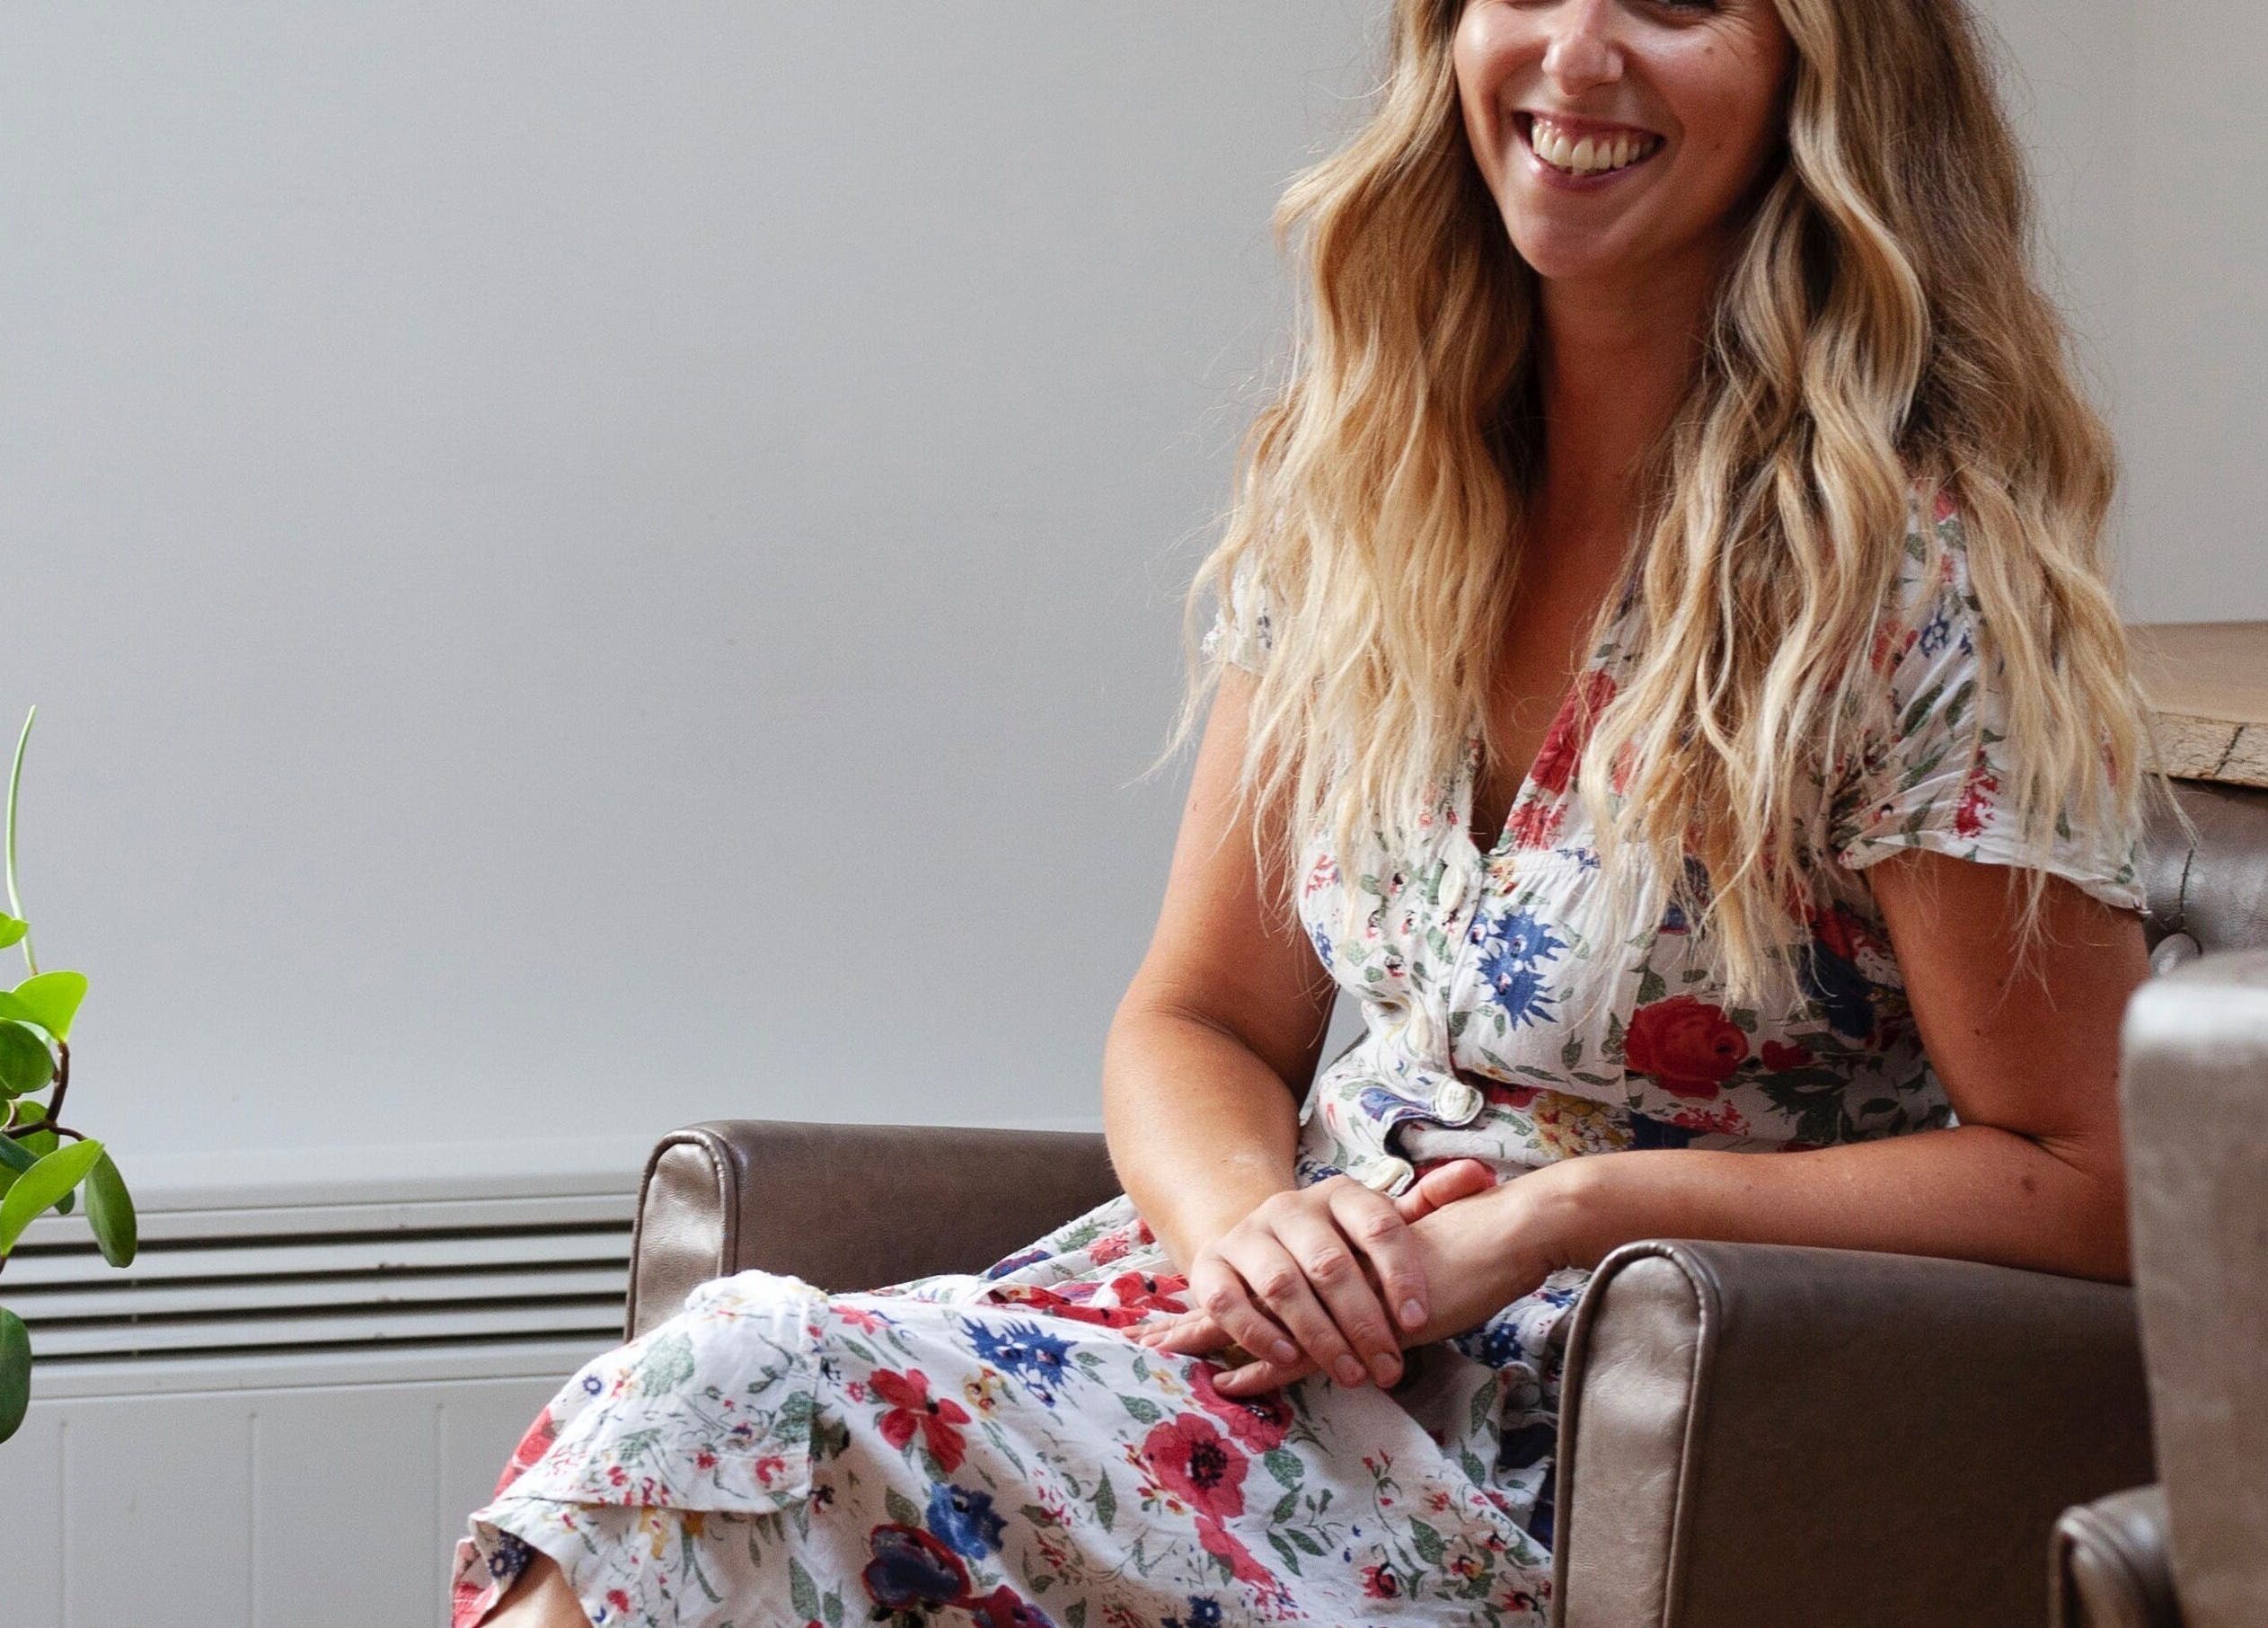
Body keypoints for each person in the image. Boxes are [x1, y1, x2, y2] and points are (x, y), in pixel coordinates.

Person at [452, 1, 2184, 1623]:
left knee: (742, 1385)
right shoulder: (1371, 485)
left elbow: (2092, 1180)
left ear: (1822, 78)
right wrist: (1251, 1230)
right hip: (1231, 1349)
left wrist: (1567, 1216)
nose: (1575, 53)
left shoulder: (1907, 584)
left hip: (1577, 1452)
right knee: (716, 1444)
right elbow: (1199, 1015)